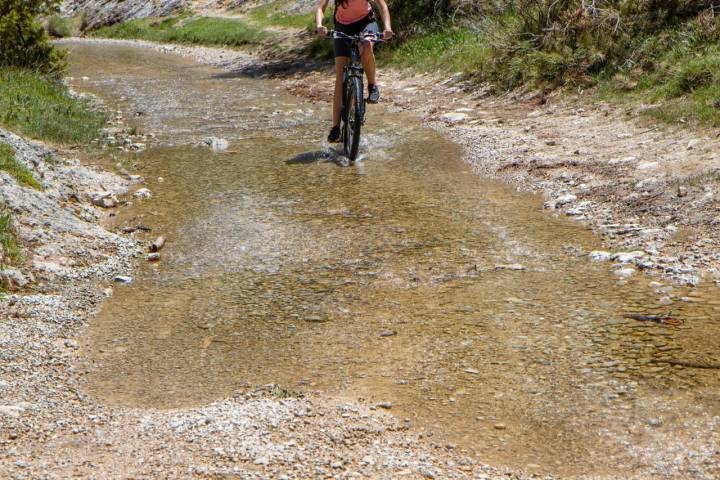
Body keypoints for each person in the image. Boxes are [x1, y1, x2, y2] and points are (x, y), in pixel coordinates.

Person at [315, 0, 393, 143]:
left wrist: (387, 28)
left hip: (366, 22)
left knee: (366, 43)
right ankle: (336, 128)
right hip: (343, 27)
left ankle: (372, 86)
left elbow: (382, 6)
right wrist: (320, 26)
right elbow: (321, 8)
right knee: (340, 75)